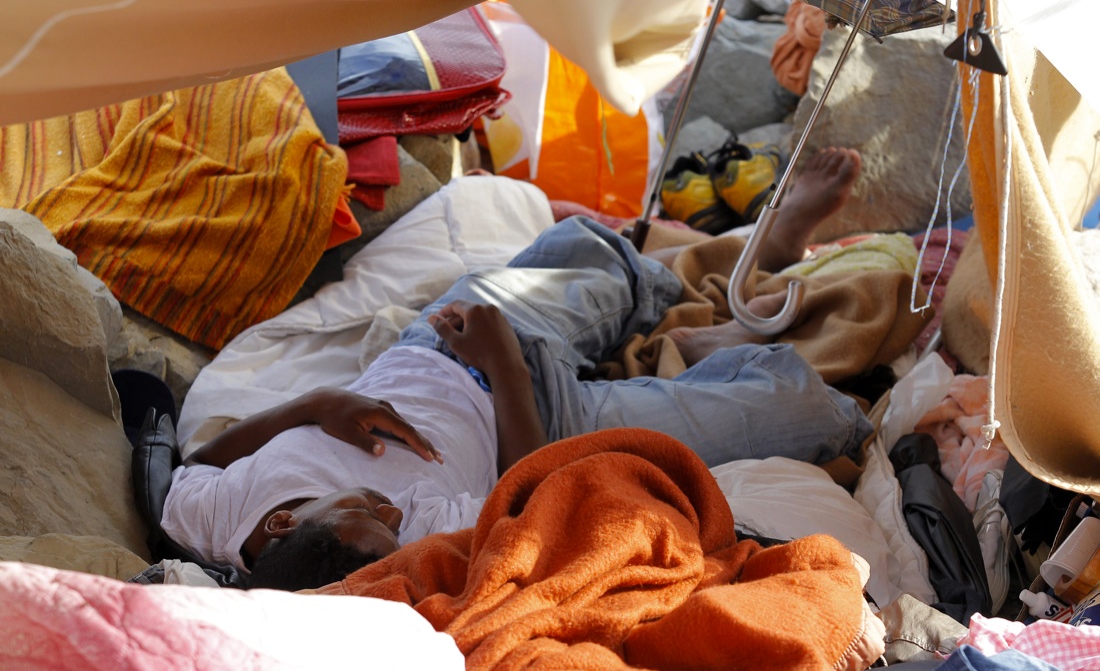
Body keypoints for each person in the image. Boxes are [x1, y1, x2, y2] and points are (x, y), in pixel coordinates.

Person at [161, 147, 867, 591]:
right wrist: (502, 364)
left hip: (438, 345)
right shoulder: (402, 539)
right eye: (388, 527)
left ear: (282, 519)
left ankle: (746, 257)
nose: (389, 507)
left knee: (595, 255)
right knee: (811, 413)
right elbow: (535, 490)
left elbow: (194, 460)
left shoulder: (214, 516)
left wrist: (316, 403)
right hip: (535, 412)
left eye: (364, 508)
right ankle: (715, 321)